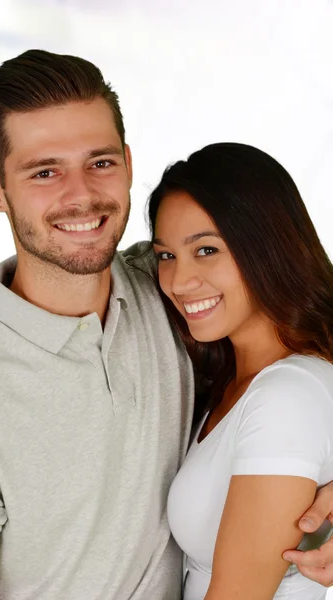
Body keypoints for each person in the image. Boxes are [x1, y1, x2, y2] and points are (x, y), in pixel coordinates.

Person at [0, 50, 331, 599]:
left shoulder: (175, 289)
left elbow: (295, 315)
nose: (81, 195)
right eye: (45, 171)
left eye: (99, 163)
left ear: (127, 161)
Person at [148, 141, 333, 599]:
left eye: (206, 249)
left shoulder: (286, 396)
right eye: (166, 255)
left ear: (268, 247)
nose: (179, 281)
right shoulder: (231, 384)